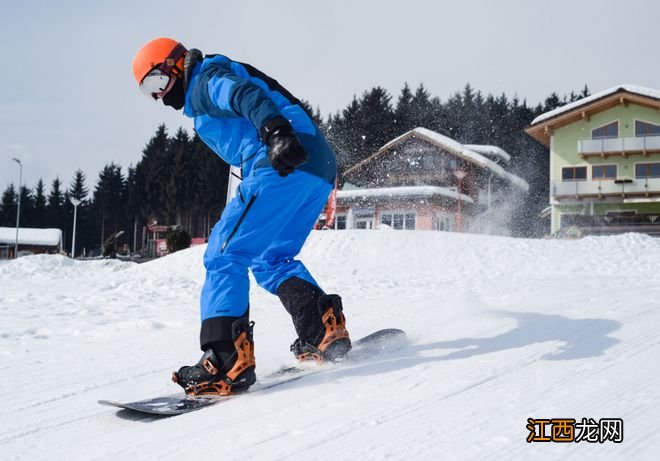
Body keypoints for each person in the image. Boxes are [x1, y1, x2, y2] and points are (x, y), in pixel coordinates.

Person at [131, 38, 351, 396]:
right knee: (271, 257)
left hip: (281, 159)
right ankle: (322, 330)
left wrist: (275, 132)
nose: (159, 97)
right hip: (314, 167)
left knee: (223, 254)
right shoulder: (204, 93)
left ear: (174, 65)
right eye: (147, 92)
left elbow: (243, 95)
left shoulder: (204, 79)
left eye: (156, 83)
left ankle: (224, 359)